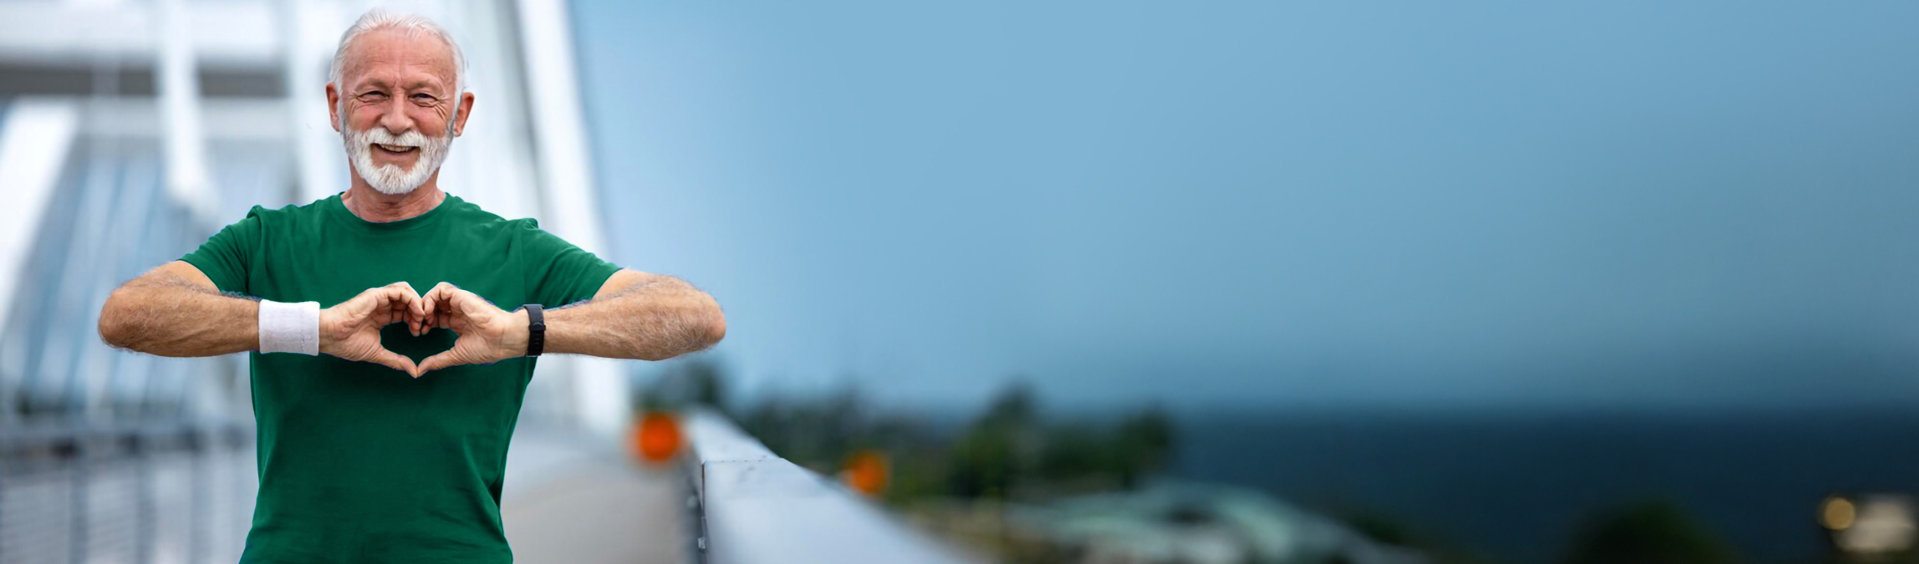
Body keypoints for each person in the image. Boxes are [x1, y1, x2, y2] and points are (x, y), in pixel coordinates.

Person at [94, 9, 725, 563]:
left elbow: (694, 317)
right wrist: (314, 328)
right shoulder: (269, 240)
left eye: (423, 97)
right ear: (335, 106)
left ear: (460, 114)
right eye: (373, 94)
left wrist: (519, 332)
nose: (397, 120)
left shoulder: (514, 250)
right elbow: (128, 315)